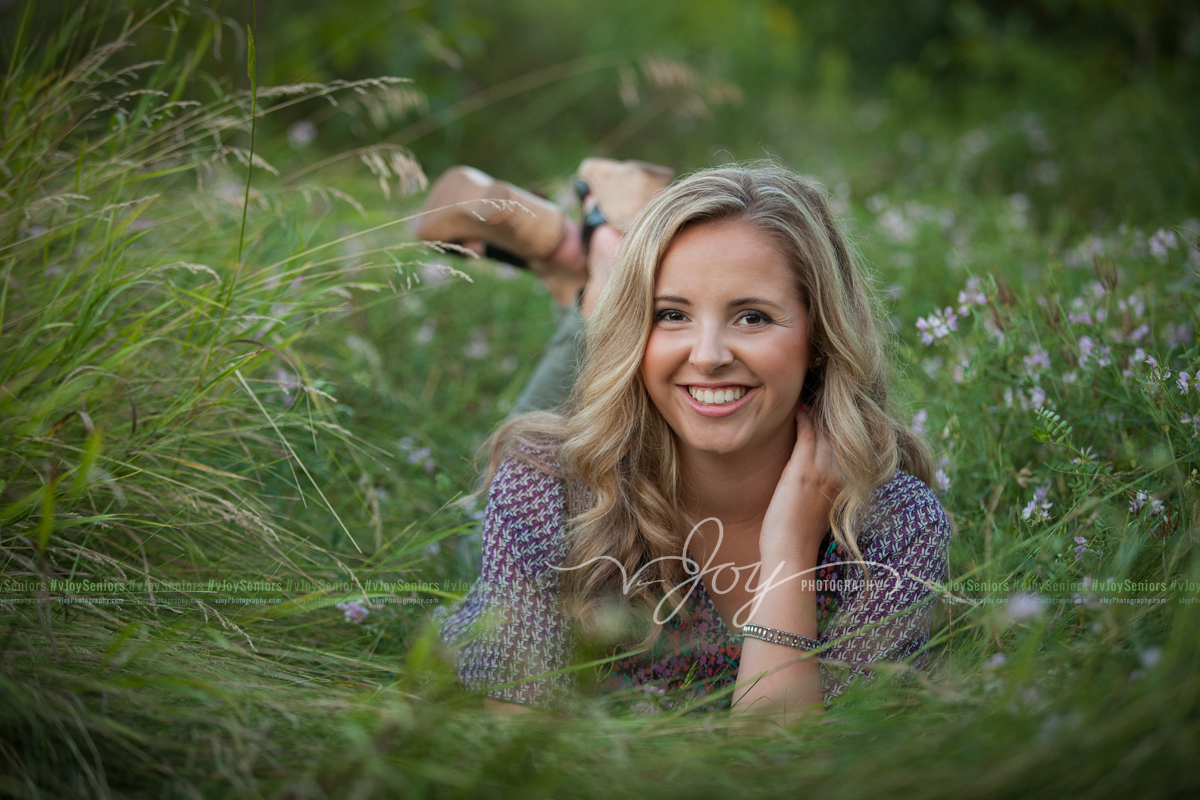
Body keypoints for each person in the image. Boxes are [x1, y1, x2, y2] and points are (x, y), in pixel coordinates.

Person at [423, 163, 951, 722]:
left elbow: (792, 766)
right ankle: (602, 277)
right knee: (472, 537)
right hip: (580, 469)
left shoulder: (895, 525)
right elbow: (516, 745)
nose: (709, 354)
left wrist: (790, 554)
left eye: (752, 317)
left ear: (819, 336)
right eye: (670, 313)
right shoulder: (546, 489)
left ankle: (604, 263)